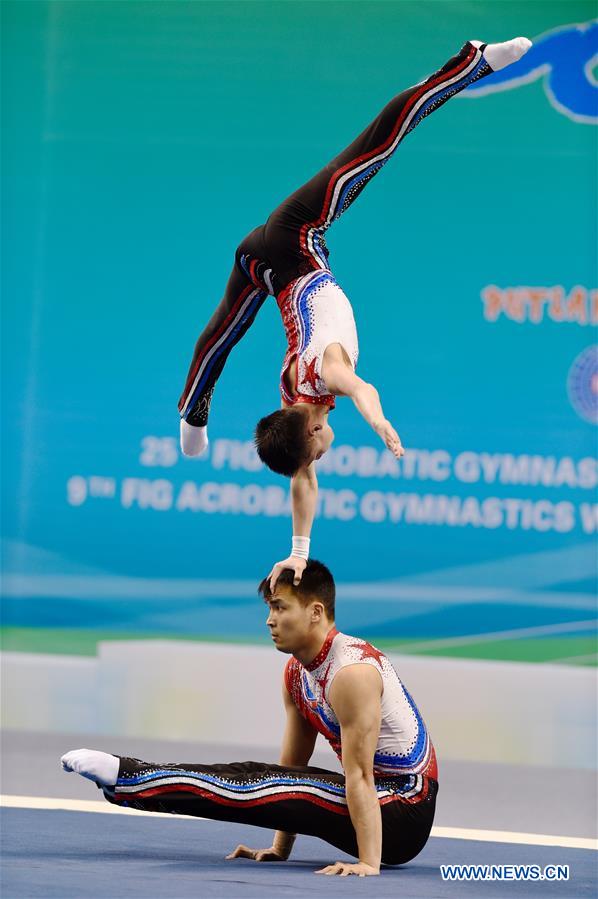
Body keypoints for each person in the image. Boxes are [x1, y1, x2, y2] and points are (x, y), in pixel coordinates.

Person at [177, 37, 532, 587]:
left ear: (314, 432)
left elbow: (357, 387)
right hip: (259, 263)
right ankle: (193, 414)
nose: (319, 459)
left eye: (314, 453)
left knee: (378, 145)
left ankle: (474, 61)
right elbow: (302, 482)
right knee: (222, 333)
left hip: (294, 234)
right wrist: (298, 551)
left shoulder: (322, 378)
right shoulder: (293, 403)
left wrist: (380, 421)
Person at [61, 560, 438, 877]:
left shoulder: (351, 673)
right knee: (252, 771)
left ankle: (130, 775)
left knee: (272, 782)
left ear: (316, 612)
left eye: (279, 607)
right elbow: (290, 768)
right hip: (376, 803)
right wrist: (280, 848)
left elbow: (359, 775)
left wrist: (369, 864)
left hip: (405, 810)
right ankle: (129, 782)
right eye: (269, 608)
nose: (269, 620)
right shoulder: (296, 673)